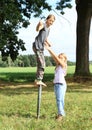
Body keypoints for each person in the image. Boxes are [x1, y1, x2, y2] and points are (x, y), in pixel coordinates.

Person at [45, 41, 67, 121]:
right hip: (57, 85)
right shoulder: (57, 66)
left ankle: (60, 115)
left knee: (59, 100)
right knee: (60, 100)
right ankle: (61, 113)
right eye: (59, 57)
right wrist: (48, 49)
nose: (59, 59)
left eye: (61, 58)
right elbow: (54, 57)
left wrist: (50, 49)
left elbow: (56, 57)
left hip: (61, 85)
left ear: (64, 60)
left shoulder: (64, 65)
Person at [32, 14, 55, 86]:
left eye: (53, 21)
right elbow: (37, 29)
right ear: (47, 19)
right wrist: (39, 24)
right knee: (42, 64)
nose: (51, 22)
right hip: (37, 46)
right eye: (50, 20)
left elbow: (45, 38)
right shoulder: (44, 25)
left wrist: (48, 43)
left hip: (41, 48)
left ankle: (37, 80)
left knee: (41, 64)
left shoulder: (49, 29)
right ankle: (38, 80)